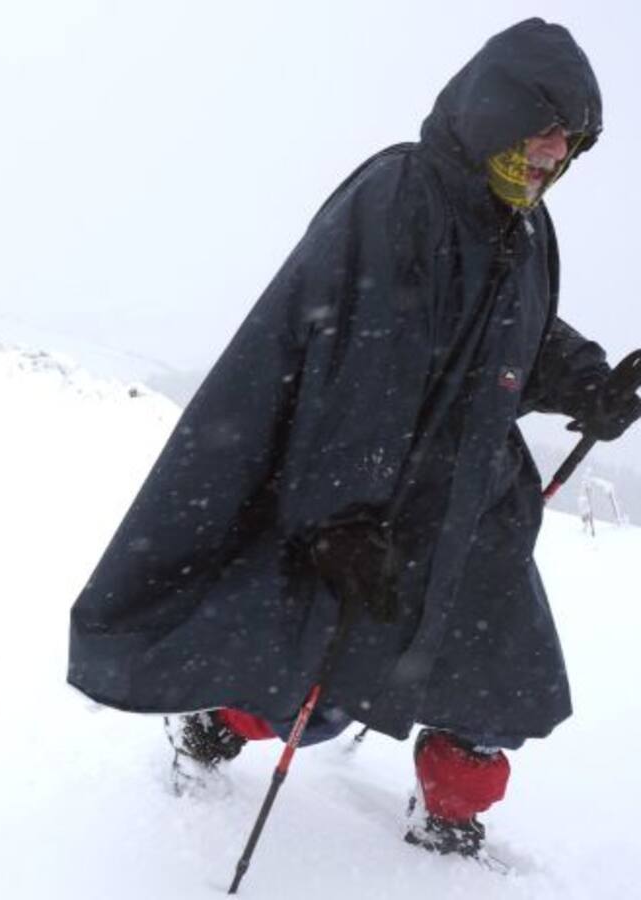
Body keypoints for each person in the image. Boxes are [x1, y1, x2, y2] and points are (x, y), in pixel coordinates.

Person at [66, 18, 641, 862]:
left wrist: (589, 383)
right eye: (544, 126)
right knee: (319, 671)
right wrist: (339, 515)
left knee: (493, 676)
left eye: (572, 139)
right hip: (376, 503)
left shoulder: (523, 226)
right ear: (496, 109)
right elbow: (358, 361)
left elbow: (521, 335)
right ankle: (213, 724)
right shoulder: (404, 194)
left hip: (475, 503)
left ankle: (450, 807)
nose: (554, 152)